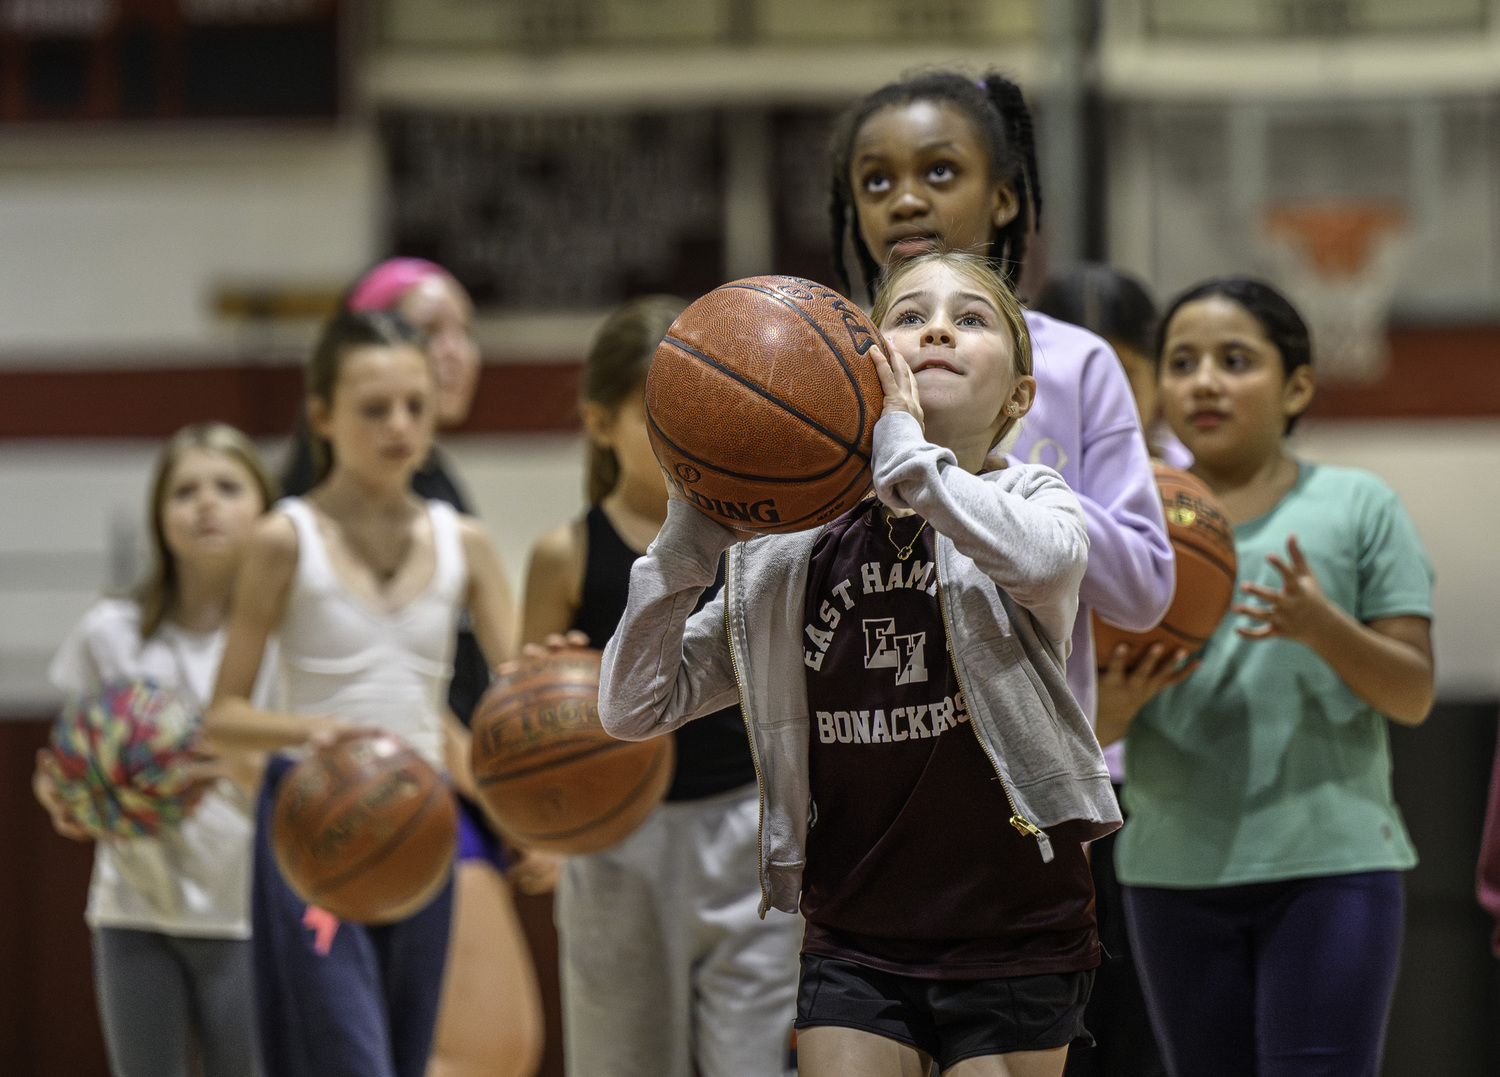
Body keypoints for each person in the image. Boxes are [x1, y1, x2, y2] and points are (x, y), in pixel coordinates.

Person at [599, 251, 1121, 1077]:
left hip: (1014, 920)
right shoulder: (789, 556)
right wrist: (681, 550)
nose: (938, 327)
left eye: (971, 319)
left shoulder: (1034, 500)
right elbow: (634, 704)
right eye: (908, 316)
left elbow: (1045, 562)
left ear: (1020, 395)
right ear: (862, 362)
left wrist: (910, 456)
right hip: (857, 928)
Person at [1108, 279, 1435, 1077]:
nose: (1205, 381)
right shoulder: (1122, 518)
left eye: (1235, 359)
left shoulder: (1358, 506)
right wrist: (1111, 709)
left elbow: (1414, 693)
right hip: (1171, 870)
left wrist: (1323, 627)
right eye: (1182, 362)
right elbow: (1078, 727)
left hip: (1332, 868)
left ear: (1296, 385)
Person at [205, 310, 520, 1077]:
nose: (399, 425)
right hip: (315, 819)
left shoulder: (464, 543)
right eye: (374, 408)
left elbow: (519, 709)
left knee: (406, 1062)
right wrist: (302, 731)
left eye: (415, 405)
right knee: (351, 1061)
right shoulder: (286, 538)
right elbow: (222, 716)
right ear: (323, 416)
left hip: (423, 819)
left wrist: (537, 811)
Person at [827, 70, 1174, 738]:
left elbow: (1143, 592)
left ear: (1005, 197)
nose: (904, 199)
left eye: (939, 171)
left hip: (1032, 779)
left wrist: (996, 483)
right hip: (869, 751)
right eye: (877, 181)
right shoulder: (822, 377)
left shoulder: (1075, 361)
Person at [522, 295, 803, 1077]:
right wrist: (541, 696)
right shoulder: (564, 552)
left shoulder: (760, 537)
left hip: (745, 825)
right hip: (615, 845)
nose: (682, 431)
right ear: (600, 424)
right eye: (657, 414)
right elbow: (519, 711)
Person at [280, 257, 546, 1077]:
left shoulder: (438, 493)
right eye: (433, 330)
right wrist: (510, 808)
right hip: (389, 794)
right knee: (482, 1051)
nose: (457, 351)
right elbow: (387, 691)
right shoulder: (327, 511)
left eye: (466, 330)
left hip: (431, 791)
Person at [32, 422, 277, 1077]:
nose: (205, 503)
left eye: (227, 486)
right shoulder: (109, 632)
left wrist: (229, 762)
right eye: (184, 490)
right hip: (132, 908)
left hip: (246, 910)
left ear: (264, 508)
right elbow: (61, 763)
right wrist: (61, 797)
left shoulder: (283, 638)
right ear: (159, 515)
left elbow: (299, 784)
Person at [1032, 264, 1172, 1077]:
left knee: (1151, 1043)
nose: (1108, 390)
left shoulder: (1193, 486)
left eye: (1127, 371)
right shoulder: (1009, 484)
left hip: (1170, 797)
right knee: (1067, 1036)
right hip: (1060, 797)